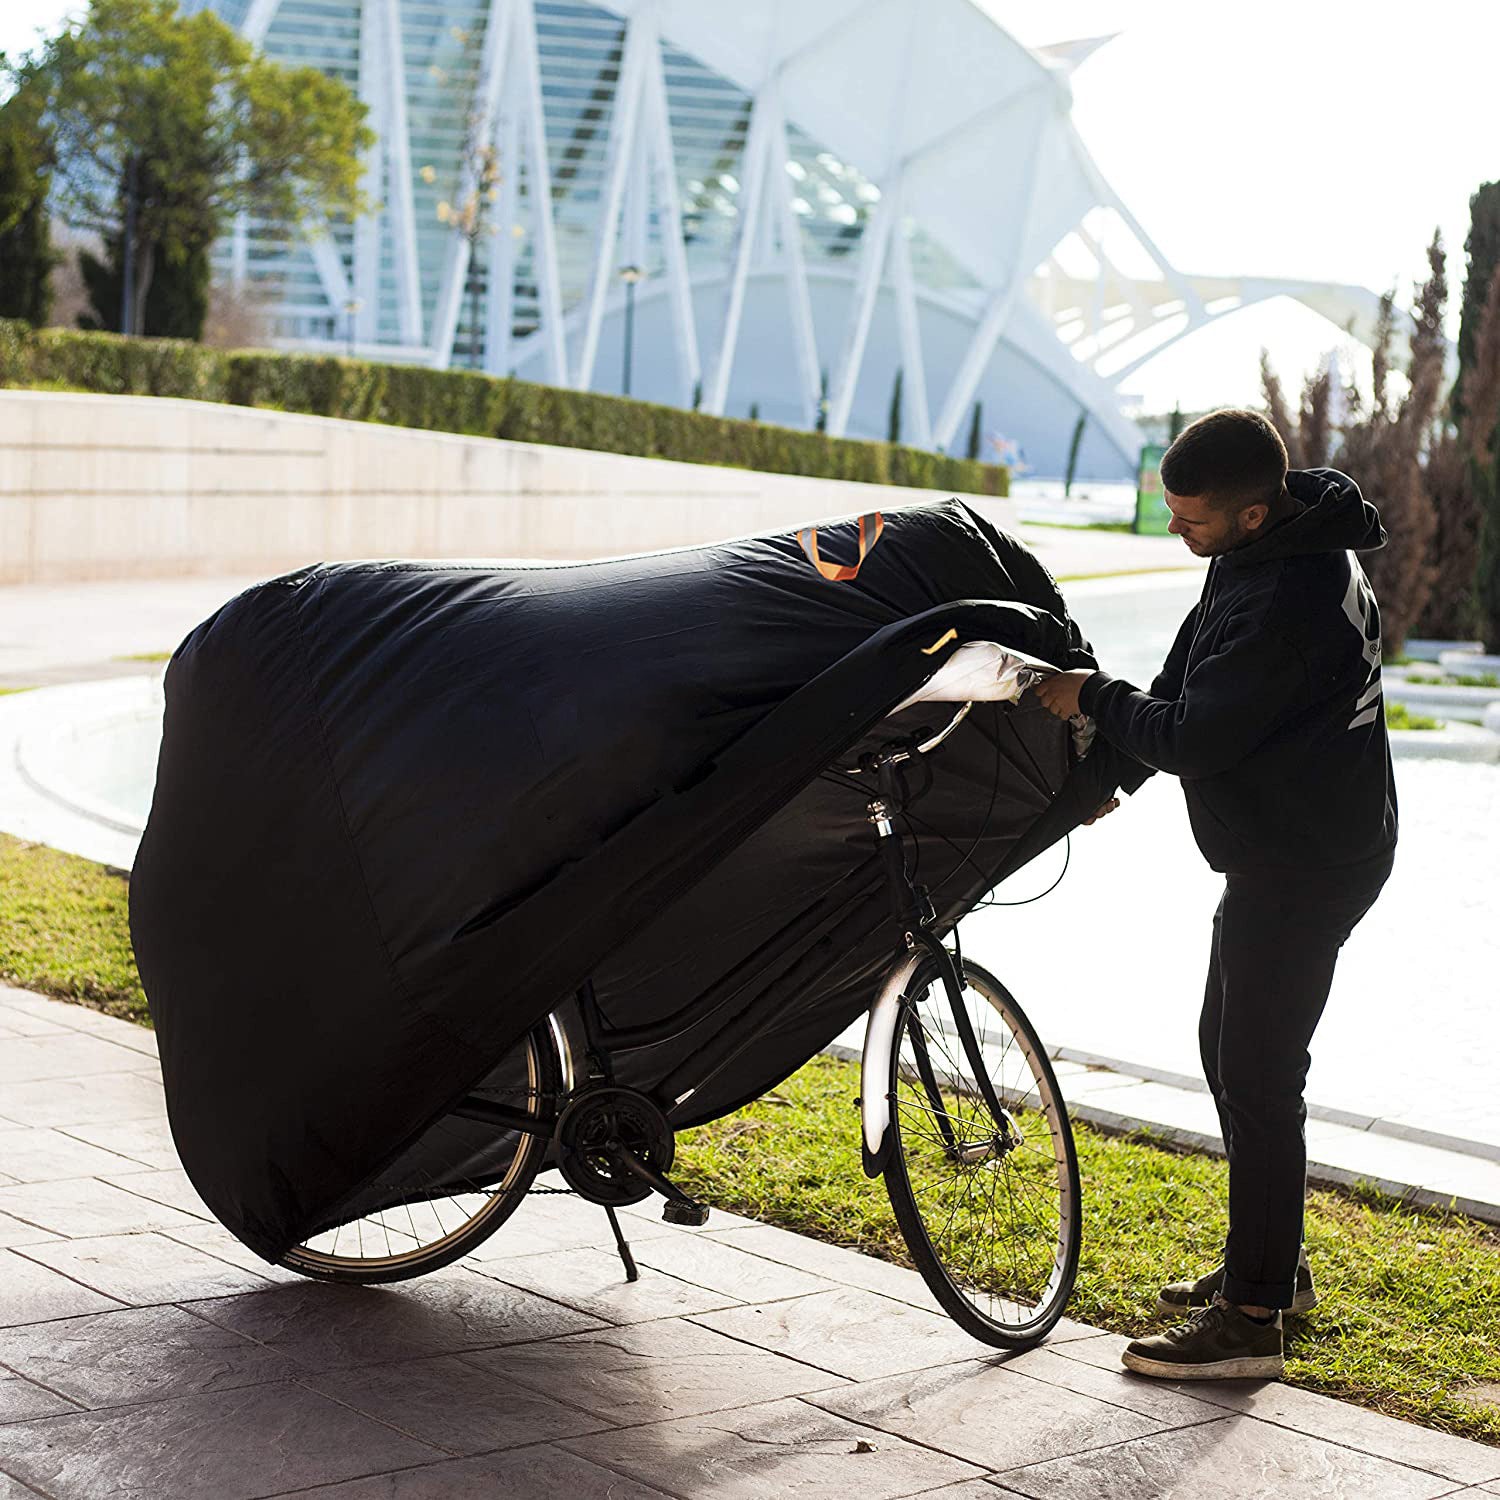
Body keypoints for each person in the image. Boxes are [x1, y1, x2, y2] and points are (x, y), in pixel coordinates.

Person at [1033, 408, 1398, 1381]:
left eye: (1189, 520)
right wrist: (1109, 774)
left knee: (1260, 1072)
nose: (1175, 534)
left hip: (1310, 856)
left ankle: (1252, 1321)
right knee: (1226, 1046)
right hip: (1295, 842)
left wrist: (1092, 698)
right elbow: (1187, 675)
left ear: (1246, 515)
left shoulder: (1295, 589)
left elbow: (1196, 732)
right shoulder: (1267, 543)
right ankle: (1273, 1266)